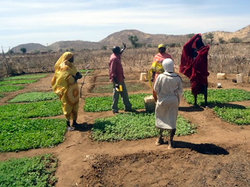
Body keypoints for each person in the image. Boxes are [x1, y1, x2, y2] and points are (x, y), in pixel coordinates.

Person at [154, 58, 183, 149]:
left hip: (162, 100)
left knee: (161, 118)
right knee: (172, 120)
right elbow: (180, 91)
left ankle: (160, 139)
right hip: (173, 101)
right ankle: (171, 142)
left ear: (164, 66)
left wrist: (161, 95)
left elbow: (155, 89)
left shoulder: (161, 77)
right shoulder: (177, 78)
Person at [51, 52, 82, 131]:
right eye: (72, 57)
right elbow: (64, 78)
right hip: (66, 90)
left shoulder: (71, 66)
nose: (73, 59)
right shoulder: (64, 67)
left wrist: (79, 75)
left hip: (74, 91)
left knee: (75, 106)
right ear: (68, 58)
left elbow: (75, 73)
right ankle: (68, 124)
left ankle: (74, 122)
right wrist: (75, 78)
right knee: (67, 106)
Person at [180, 34, 210, 106]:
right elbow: (185, 47)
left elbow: (186, 47)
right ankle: (201, 102)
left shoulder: (203, 50)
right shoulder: (201, 50)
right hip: (200, 72)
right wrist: (195, 37)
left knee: (198, 86)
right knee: (202, 85)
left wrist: (194, 38)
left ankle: (198, 102)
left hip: (199, 72)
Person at [109, 43, 133, 113]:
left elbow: (120, 52)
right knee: (116, 94)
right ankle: (115, 108)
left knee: (123, 93)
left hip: (120, 79)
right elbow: (112, 71)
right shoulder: (114, 58)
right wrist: (116, 82)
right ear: (116, 51)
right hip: (117, 81)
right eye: (119, 50)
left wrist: (124, 48)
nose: (120, 51)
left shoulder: (116, 55)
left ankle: (128, 107)